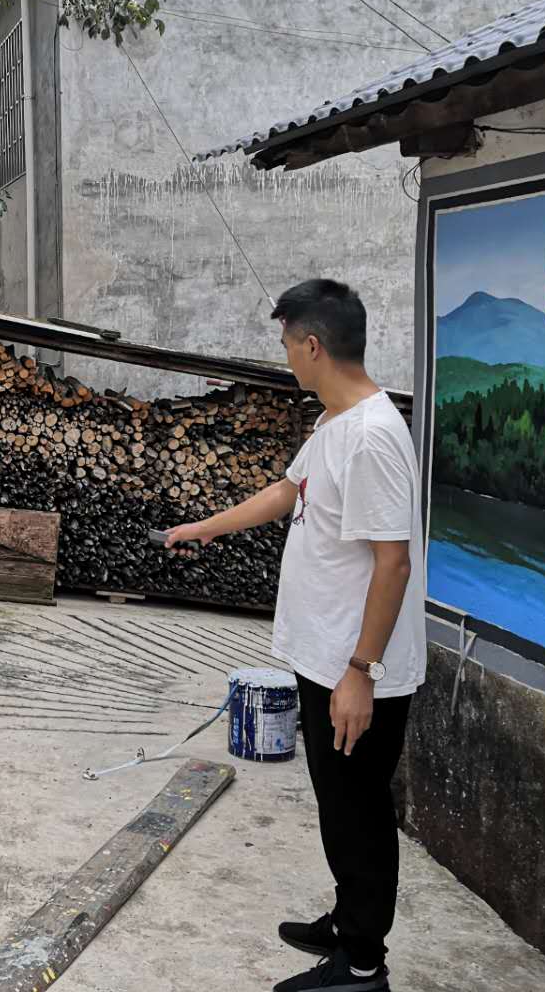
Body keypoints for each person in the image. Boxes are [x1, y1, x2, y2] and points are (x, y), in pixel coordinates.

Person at [166, 279, 425, 992]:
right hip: (327, 656)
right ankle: (347, 921)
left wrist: (361, 672)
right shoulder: (334, 422)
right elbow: (289, 491)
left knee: (359, 811)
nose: (285, 359)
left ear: (313, 345)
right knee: (338, 804)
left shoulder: (372, 437)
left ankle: (362, 965)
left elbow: (394, 563)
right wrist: (206, 527)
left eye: (286, 346)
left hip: (356, 667)